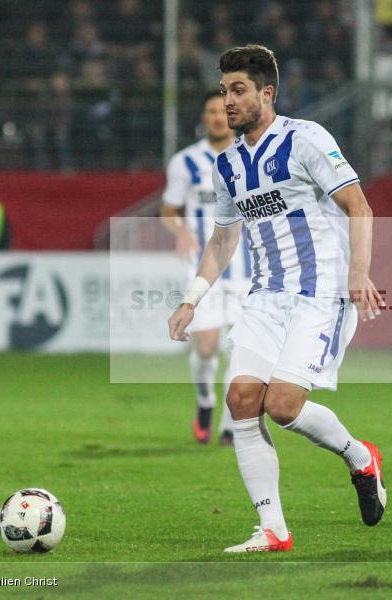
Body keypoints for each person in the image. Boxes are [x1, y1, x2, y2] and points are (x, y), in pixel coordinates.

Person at [168, 45, 386, 552]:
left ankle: (360, 457)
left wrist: (358, 273)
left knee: (284, 406)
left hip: (320, 294)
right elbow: (223, 239)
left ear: (267, 92)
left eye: (238, 90)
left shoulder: (306, 139)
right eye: (224, 91)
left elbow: (359, 205)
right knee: (242, 399)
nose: (228, 101)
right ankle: (273, 530)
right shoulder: (227, 165)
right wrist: (191, 300)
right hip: (266, 296)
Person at [161, 90, 249, 446]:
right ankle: (205, 400)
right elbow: (169, 210)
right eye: (210, 111)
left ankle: (230, 425)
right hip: (203, 267)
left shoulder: (250, 158)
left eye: (221, 111)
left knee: (240, 349)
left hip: (248, 270)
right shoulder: (186, 162)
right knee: (207, 348)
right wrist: (181, 231)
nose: (217, 117)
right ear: (204, 118)